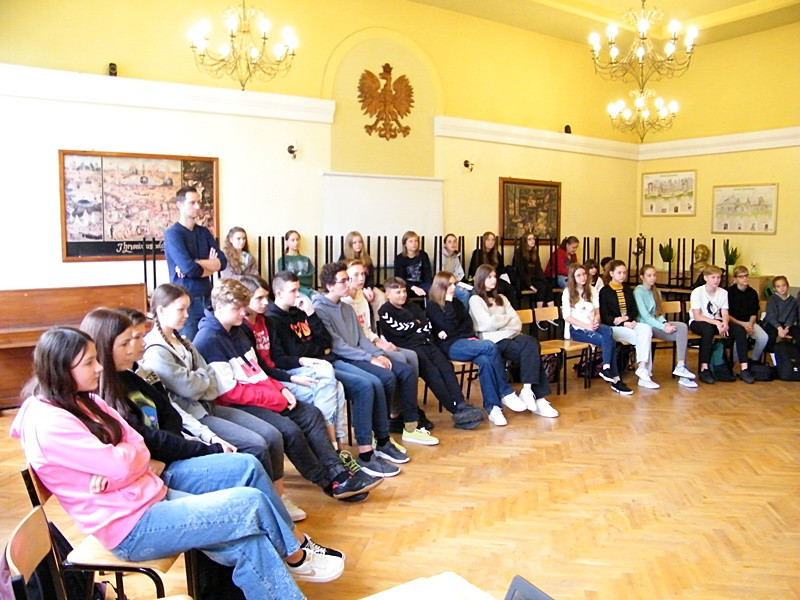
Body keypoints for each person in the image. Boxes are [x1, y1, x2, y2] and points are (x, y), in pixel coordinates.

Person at [11, 327, 345, 600]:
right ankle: (295, 555)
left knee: (250, 540)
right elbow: (126, 460)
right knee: (250, 502)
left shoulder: (85, 400)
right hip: (130, 527)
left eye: (96, 359)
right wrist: (123, 463)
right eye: (88, 363)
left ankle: (291, 566)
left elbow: (136, 442)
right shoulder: (50, 423)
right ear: (61, 370)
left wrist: (120, 463)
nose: (99, 368)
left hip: (148, 496)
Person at [192, 278, 381, 500]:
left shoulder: (237, 330)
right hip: (236, 405)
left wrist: (280, 389)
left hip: (260, 394)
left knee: (311, 413)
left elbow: (259, 370)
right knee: (289, 430)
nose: (243, 312)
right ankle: (328, 482)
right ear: (220, 307)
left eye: (244, 307)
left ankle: (338, 472)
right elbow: (230, 392)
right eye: (237, 308)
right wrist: (275, 397)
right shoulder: (209, 340)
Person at [140, 284, 311, 515]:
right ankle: (266, 504)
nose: (187, 315)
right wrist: (201, 382)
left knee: (272, 434)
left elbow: (208, 379)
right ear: (161, 310)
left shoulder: (182, 340)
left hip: (208, 405)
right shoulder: (156, 350)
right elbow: (190, 387)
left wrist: (200, 382)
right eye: (181, 309)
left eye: (188, 309)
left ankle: (279, 496)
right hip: (193, 415)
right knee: (256, 443)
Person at [265, 270, 407, 478]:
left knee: (376, 382)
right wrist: (315, 350)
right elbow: (289, 354)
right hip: (308, 368)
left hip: (326, 361)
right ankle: (364, 453)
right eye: (293, 291)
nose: (298, 295)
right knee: (364, 386)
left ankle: (382, 441)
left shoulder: (302, 310)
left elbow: (325, 341)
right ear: (278, 293)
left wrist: (310, 314)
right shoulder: (273, 318)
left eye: (298, 289)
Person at [313, 261, 439, 446]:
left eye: (348, 279)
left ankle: (411, 427)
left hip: (360, 353)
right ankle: (380, 432)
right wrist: (370, 358)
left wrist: (379, 354)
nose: (349, 283)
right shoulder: (320, 309)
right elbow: (338, 346)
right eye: (344, 281)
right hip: (345, 359)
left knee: (405, 370)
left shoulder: (347, 308)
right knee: (386, 377)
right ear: (329, 285)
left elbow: (362, 338)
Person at [239, 274, 346, 450]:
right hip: (272, 378)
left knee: (336, 385)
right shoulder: (248, 326)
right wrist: (292, 377)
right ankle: (331, 443)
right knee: (332, 382)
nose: (265, 302)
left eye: (266, 297)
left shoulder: (267, 321)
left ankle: (335, 445)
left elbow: (324, 342)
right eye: (259, 298)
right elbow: (262, 367)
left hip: (282, 371)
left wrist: (310, 313)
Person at [378, 277, 484, 429]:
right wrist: (416, 324)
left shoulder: (412, 306)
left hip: (427, 343)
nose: (402, 295)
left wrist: (414, 326)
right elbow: (399, 330)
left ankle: (461, 404)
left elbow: (427, 324)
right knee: (433, 375)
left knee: (446, 368)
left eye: (404, 291)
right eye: (398, 292)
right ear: (387, 294)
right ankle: (455, 410)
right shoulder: (385, 311)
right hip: (410, 348)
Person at [426, 271, 522, 426]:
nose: (453, 287)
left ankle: (493, 408)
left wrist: (451, 331)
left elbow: (467, 325)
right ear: (440, 286)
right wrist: (448, 306)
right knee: (490, 346)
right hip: (449, 346)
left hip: (467, 341)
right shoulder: (433, 306)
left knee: (485, 360)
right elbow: (448, 327)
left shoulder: (458, 303)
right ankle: (505, 391)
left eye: (454, 284)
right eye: (449, 285)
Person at [468, 264, 558, 417]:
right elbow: (486, 324)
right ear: (481, 279)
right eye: (489, 277)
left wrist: (497, 321)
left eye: (495, 277)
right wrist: (505, 319)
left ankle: (527, 391)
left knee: (532, 342)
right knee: (530, 353)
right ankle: (539, 398)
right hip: (493, 341)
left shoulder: (502, 298)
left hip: (512, 335)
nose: (493, 280)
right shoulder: (475, 300)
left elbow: (517, 322)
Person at [163, 185, 226, 340]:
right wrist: (210, 265)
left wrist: (197, 262)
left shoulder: (204, 232)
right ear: (180, 205)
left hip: (208, 297)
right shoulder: (173, 234)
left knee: (211, 342)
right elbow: (190, 269)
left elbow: (223, 262)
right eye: (192, 203)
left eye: (198, 202)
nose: (198, 207)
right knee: (191, 345)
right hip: (186, 302)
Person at [562, 264, 632, 396]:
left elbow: (597, 312)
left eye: (584, 274)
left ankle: (606, 367)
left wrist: (596, 320)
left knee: (607, 331)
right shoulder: (568, 292)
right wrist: (587, 326)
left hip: (593, 325)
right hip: (578, 329)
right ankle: (616, 380)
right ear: (573, 277)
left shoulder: (592, 289)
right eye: (578, 275)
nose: (583, 277)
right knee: (609, 341)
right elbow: (567, 317)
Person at [633, 265, 698, 388]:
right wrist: (663, 327)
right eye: (649, 275)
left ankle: (681, 366)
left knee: (682, 327)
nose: (652, 278)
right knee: (669, 330)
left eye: (654, 275)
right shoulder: (638, 291)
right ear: (642, 277)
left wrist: (664, 323)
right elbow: (645, 316)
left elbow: (658, 313)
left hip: (656, 324)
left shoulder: (656, 291)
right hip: (645, 326)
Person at [598, 260, 658, 389]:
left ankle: (642, 368)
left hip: (628, 323)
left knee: (646, 329)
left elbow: (633, 310)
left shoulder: (627, 289)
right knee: (643, 339)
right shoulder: (605, 291)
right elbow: (604, 316)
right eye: (619, 273)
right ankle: (645, 375)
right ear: (611, 273)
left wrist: (627, 318)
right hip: (613, 327)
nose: (622, 275)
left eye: (624, 273)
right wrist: (621, 322)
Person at [689, 265, 732, 385]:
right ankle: (704, 368)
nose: (716, 280)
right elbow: (697, 316)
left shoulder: (723, 292)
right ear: (705, 278)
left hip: (716, 321)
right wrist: (717, 322)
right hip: (698, 322)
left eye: (718, 277)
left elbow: (724, 312)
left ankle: (735, 367)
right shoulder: (697, 292)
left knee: (737, 329)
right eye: (713, 277)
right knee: (708, 331)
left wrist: (725, 323)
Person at [727, 265, 768, 372]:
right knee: (739, 339)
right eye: (741, 276)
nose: (745, 278)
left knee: (763, 337)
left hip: (750, 322)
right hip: (735, 323)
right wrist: (743, 324)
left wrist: (750, 324)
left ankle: (754, 360)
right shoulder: (729, 292)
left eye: (746, 275)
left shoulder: (752, 293)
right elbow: (727, 314)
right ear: (735, 279)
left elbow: (754, 312)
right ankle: (735, 363)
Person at [338, 230, 386, 314]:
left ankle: (378, 321)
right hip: (352, 287)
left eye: (360, 242)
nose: (358, 244)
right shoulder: (343, 259)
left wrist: (369, 288)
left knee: (381, 297)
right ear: (349, 245)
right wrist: (363, 290)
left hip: (367, 286)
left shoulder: (367, 258)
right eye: (355, 242)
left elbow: (371, 277)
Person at [512, 232, 554, 308]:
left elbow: (538, 269)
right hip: (523, 281)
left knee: (548, 286)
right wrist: (530, 285)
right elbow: (521, 272)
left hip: (534, 279)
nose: (532, 241)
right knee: (542, 287)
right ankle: (539, 312)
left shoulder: (534, 252)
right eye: (529, 239)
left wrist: (544, 280)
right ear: (525, 241)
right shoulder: (519, 253)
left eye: (533, 239)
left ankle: (552, 312)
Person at [763, 276, 800, 350]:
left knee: (798, 334)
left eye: (783, 285)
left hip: (786, 325)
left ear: (788, 286)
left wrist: (787, 327)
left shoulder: (793, 301)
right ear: (774, 288)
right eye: (778, 286)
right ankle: (772, 354)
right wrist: (779, 328)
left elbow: (792, 316)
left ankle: (793, 355)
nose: (781, 288)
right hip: (773, 324)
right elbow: (771, 316)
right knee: (771, 336)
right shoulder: (772, 299)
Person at [277, 230, 316, 298]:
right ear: (287, 242)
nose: (296, 242)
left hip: (309, 290)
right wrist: (299, 279)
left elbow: (309, 279)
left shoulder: (306, 259)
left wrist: (295, 278)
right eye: (293, 240)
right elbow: (286, 280)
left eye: (297, 239)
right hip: (293, 292)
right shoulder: (282, 260)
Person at [393, 230, 433, 297]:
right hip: (407, 285)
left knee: (432, 291)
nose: (414, 243)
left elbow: (427, 274)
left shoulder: (423, 255)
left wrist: (429, 286)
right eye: (410, 241)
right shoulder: (399, 258)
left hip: (422, 284)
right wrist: (413, 287)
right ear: (405, 244)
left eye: (416, 241)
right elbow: (399, 278)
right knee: (403, 293)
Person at [441, 233, 471, 306]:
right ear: (445, 244)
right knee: (465, 294)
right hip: (444, 284)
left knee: (473, 291)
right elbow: (441, 275)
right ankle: (463, 313)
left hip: (455, 282)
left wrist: (456, 282)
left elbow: (460, 273)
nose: (453, 244)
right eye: (450, 242)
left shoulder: (455, 256)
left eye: (454, 241)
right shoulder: (440, 256)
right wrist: (452, 281)